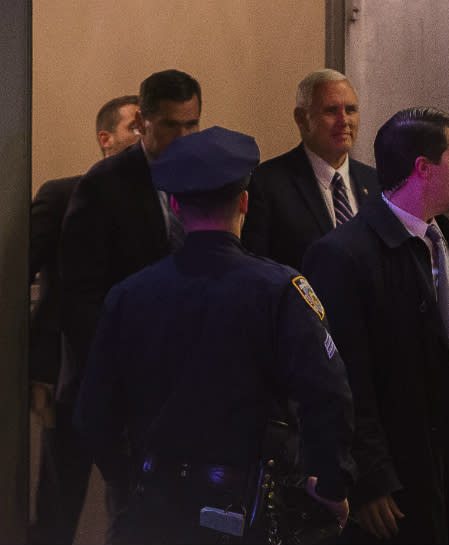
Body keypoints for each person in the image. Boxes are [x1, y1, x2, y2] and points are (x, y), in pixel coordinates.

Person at [73, 126, 355, 545]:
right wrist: (332, 486)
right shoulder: (281, 290)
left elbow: (92, 414)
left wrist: (130, 476)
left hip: (153, 509)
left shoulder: (128, 295)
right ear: (244, 201)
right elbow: (327, 395)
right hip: (248, 512)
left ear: (174, 205)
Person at [302, 107, 449, 544]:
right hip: (402, 476)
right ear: (423, 168)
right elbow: (343, 381)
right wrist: (369, 477)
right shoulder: (344, 255)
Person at [58, 69, 200, 541]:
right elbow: (79, 295)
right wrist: (116, 371)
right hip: (128, 385)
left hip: (192, 380)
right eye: (170, 126)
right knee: (137, 517)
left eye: (191, 125)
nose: (182, 138)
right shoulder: (104, 184)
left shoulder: (204, 176)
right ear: (142, 122)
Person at [28, 94, 139, 545]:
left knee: (134, 499)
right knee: (59, 499)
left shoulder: (163, 201)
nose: (144, 131)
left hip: (134, 376)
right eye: (135, 124)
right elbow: (24, 279)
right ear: (105, 138)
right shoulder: (62, 194)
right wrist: (38, 374)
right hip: (70, 374)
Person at [242, 68, 379, 270]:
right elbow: (257, 269)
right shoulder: (267, 184)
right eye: (331, 110)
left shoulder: (376, 182)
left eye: (350, 110)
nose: (344, 121)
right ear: (301, 118)